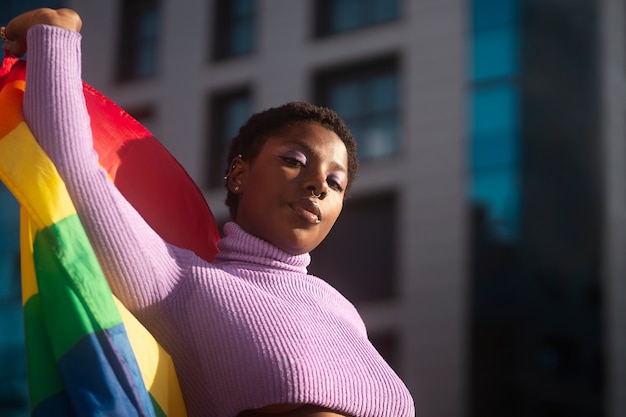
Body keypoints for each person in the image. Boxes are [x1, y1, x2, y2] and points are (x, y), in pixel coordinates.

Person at [2, 8, 415, 417]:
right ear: (238, 174)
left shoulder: (341, 308)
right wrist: (55, 37)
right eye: (294, 160)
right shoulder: (182, 284)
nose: (318, 186)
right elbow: (76, 173)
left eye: (336, 183)